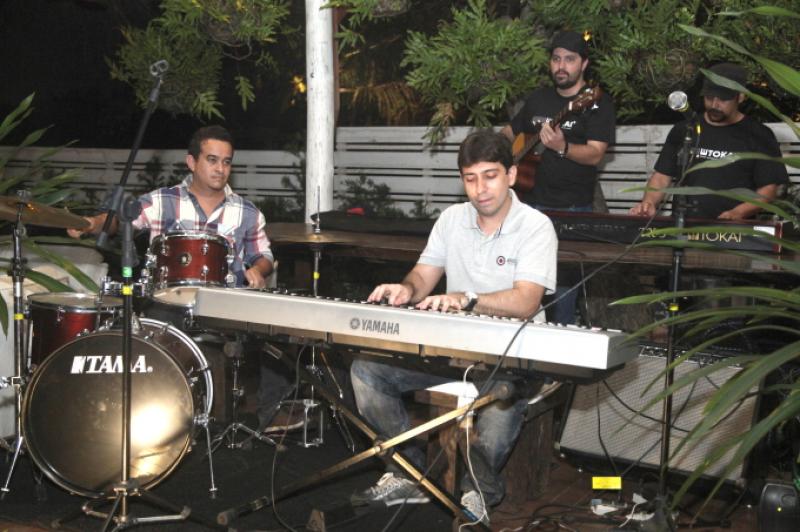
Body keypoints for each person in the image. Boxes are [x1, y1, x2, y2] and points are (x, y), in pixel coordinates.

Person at [349, 130, 557, 525]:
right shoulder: (451, 219)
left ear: (512, 175)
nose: (480, 189)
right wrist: (406, 289)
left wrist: (467, 298)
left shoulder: (535, 226)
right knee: (367, 372)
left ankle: (478, 492)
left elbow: (526, 300)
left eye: (490, 176)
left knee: (498, 412)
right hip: (454, 352)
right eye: (470, 178)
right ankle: (408, 472)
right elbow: (422, 276)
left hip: (512, 358)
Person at [68, 125, 297, 432]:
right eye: (212, 160)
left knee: (280, 327)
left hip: (226, 303)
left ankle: (270, 414)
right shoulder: (162, 201)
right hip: (169, 302)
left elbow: (263, 254)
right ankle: (151, 416)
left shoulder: (247, 212)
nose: (220, 169)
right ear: (192, 162)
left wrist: (259, 269)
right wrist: (90, 223)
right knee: (148, 337)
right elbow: (121, 222)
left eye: (226, 162)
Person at [501, 30, 616, 325]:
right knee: (521, 279)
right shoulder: (538, 98)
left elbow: (595, 154)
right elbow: (509, 133)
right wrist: (502, 159)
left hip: (571, 208)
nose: (561, 66)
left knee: (563, 290)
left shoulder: (596, 103)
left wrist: (562, 147)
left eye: (569, 59)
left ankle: (559, 341)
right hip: (528, 206)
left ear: (584, 64)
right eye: (556, 59)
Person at [630, 62, 789, 219]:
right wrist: (649, 203)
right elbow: (661, 176)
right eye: (709, 97)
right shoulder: (685, 129)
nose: (714, 104)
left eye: (723, 99)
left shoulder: (759, 134)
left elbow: (769, 189)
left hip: (731, 230)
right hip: (681, 226)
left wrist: (737, 213)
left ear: (740, 97)